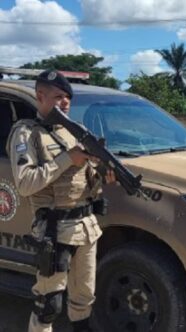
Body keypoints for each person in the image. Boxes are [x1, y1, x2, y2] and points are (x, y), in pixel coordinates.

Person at [6, 69, 115, 332]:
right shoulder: (26, 134)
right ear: (40, 96)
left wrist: (103, 173)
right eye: (58, 96)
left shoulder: (74, 133)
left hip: (86, 227)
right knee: (49, 304)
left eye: (68, 96)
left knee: (83, 299)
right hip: (54, 231)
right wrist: (68, 158)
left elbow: (86, 178)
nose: (65, 102)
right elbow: (25, 184)